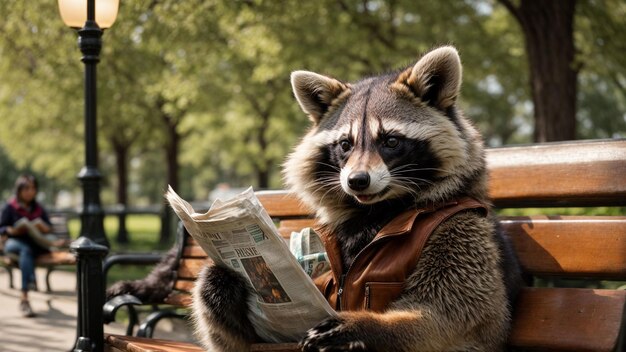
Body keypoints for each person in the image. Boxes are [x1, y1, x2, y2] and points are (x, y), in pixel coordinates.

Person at [0, 174, 57, 317]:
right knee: (25, 249)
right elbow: (1, 227)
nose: (30, 191)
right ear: (19, 190)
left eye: (32, 188)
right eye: (26, 188)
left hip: (34, 245)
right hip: (14, 244)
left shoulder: (38, 208)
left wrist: (44, 228)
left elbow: (49, 228)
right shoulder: (10, 207)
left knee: (27, 250)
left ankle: (24, 298)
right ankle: (28, 286)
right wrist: (10, 230)